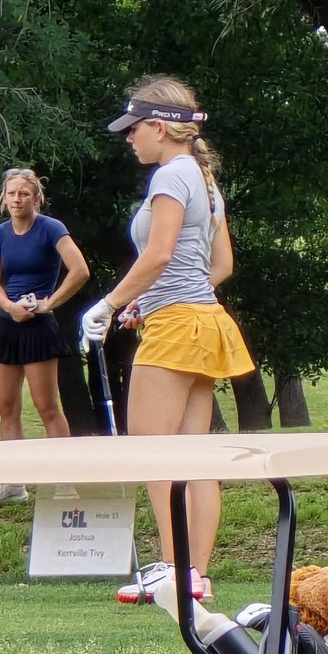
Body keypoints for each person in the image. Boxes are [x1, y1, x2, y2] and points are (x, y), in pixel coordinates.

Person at [81, 76, 254, 603]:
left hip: (178, 326)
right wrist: (144, 301)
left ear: (159, 127)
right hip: (204, 321)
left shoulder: (168, 178)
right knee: (192, 456)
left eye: (134, 129)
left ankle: (171, 569)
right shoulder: (202, 178)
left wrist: (108, 304)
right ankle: (194, 576)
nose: (129, 138)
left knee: (152, 453)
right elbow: (219, 266)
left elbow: (157, 255)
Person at [0, 168, 90, 507]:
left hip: (39, 328)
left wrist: (48, 304)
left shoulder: (51, 229)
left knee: (48, 407)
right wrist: (9, 306)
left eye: (23, 194)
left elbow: (81, 270)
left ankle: (64, 482)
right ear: (4, 197)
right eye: (11, 194)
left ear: (35, 198)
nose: (16, 199)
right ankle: (12, 484)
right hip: (6, 325)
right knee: (7, 409)